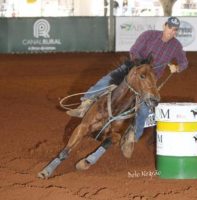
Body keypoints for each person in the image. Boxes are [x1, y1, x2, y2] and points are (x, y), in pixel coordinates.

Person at [66, 16, 188, 157]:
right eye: (170, 28)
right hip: (132, 70)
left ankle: (132, 138)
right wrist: (138, 65)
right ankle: (85, 104)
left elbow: (184, 62)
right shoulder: (149, 35)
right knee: (106, 81)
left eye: (174, 30)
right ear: (164, 26)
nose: (171, 32)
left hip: (147, 83)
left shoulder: (176, 46)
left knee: (144, 110)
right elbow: (134, 50)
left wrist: (177, 68)